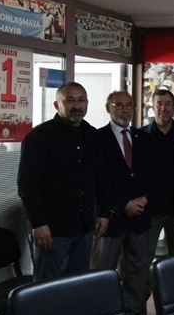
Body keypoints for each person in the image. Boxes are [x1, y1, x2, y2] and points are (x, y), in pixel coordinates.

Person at [17, 82, 110, 280]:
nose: (76, 105)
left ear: (87, 104)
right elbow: (27, 184)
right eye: (70, 100)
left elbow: (101, 178)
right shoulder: (40, 137)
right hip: (52, 229)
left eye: (81, 100)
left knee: (78, 285)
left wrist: (104, 212)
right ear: (56, 105)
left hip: (85, 227)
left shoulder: (92, 135)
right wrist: (39, 223)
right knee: (48, 287)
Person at [91, 91, 154, 315]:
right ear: (108, 108)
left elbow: (153, 174)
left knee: (137, 269)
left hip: (140, 216)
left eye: (129, 105)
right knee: (102, 271)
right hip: (110, 217)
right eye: (119, 105)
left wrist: (145, 198)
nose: (124, 109)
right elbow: (98, 180)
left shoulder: (144, 138)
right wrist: (122, 204)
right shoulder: (97, 138)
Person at [142, 89, 174, 265]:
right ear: (153, 107)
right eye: (159, 104)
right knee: (143, 259)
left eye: (167, 104)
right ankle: (145, 285)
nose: (163, 108)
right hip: (150, 209)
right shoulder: (141, 135)